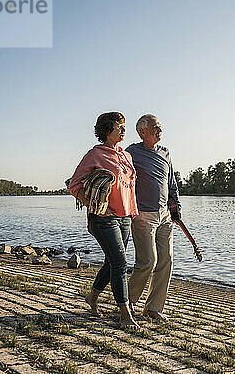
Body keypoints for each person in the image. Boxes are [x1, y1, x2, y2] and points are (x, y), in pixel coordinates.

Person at [68, 112, 139, 329]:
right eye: (119, 126)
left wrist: (132, 212)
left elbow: (130, 186)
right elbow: (74, 184)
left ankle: (92, 297)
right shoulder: (95, 154)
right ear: (108, 130)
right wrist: (95, 205)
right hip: (103, 218)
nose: (124, 129)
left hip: (125, 216)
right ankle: (125, 314)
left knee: (111, 263)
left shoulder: (126, 156)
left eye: (124, 125)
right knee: (120, 263)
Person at [126, 114, 182, 321]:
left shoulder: (165, 153)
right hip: (143, 215)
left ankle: (153, 308)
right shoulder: (131, 152)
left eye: (160, 127)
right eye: (155, 127)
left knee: (166, 260)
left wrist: (176, 206)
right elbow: (121, 176)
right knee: (147, 261)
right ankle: (128, 302)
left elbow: (171, 183)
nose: (160, 130)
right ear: (143, 132)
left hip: (165, 215)